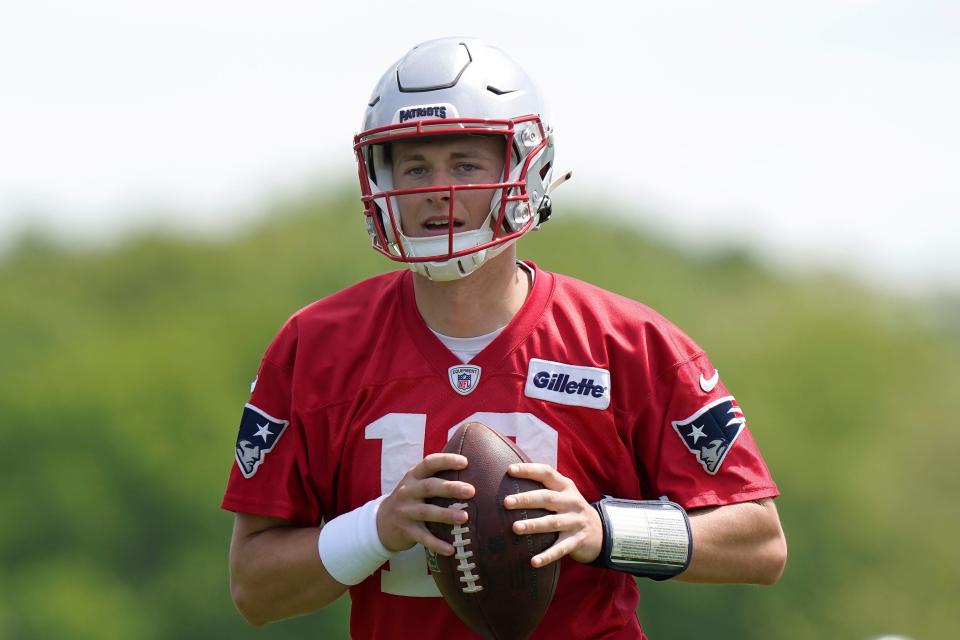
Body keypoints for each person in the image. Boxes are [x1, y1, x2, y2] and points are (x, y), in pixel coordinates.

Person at [222, 37, 787, 639]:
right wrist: (377, 528)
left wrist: (604, 531)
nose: (437, 190)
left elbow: (758, 542)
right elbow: (254, 588)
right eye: (415, 167)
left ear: (525, 169)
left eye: (466, 163)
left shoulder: (628, 343)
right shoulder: (316, 347)